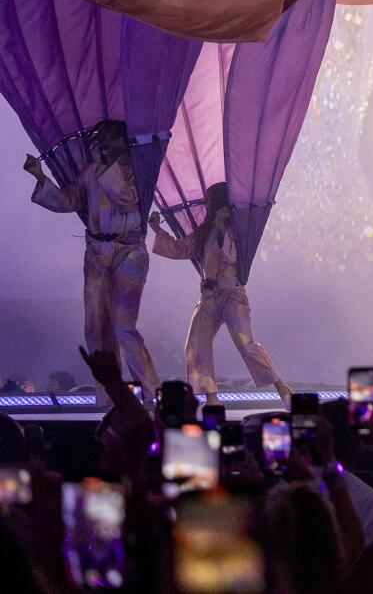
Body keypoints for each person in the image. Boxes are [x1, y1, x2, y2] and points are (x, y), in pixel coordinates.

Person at [23, 119, 160, 394]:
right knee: (96, 330)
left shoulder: (137, 171)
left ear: (124, 141)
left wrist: (108, 168)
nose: (106, 143)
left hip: (129, 253)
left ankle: (151, 392)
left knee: (123, 328)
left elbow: (126, 199)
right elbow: (69, 201)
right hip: (97, 254)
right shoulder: (90, 173)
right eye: (103, 138)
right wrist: (40, 176)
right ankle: (110, 396)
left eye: (112, 137)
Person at [151, 182, 292, 402]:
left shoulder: (236, 231)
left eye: (209, 201)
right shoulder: (203, 232)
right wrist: (157, 230)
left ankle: (282, 388)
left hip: (232, 295)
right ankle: (212, 399)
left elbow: (232, 256)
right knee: (195, 345)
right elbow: (180, 249)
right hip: (208, 298)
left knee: (246, 346)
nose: (205, 206)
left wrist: (222, 228)